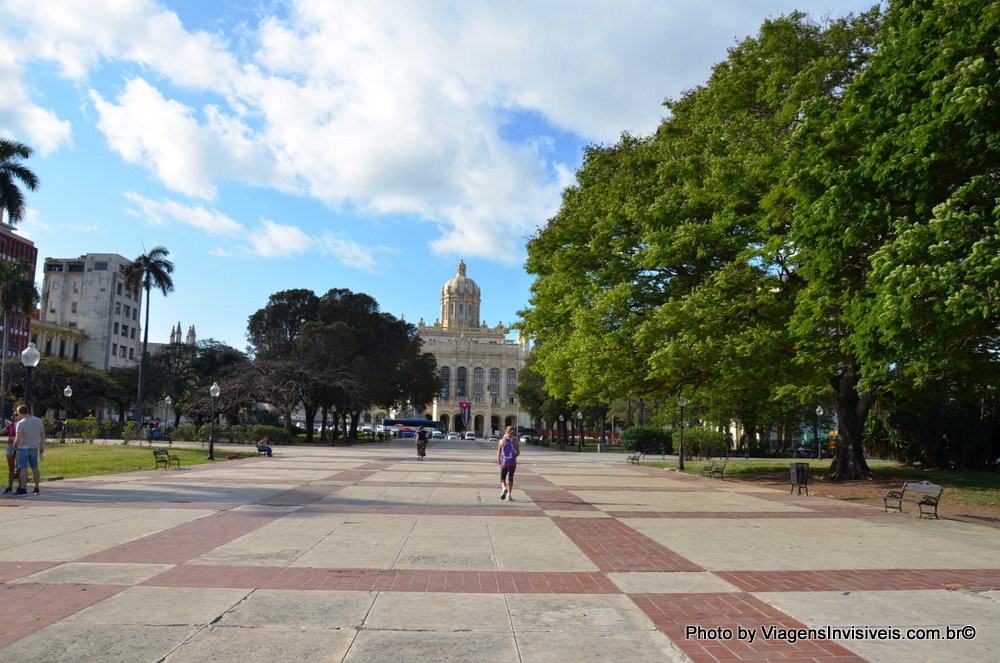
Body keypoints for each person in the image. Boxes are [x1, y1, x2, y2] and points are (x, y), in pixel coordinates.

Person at [12, 405, 45, 496]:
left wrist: (15, 446)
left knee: (23, 468)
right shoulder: (38, 421)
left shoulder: (21, 423)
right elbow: (42, 435)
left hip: (23, 448)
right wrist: (41, 446)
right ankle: (36, 488)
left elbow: (18, 439)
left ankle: (23, 489)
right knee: (35, 467)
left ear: (20, 413)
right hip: (34, 447)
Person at [497, 426, 520, 501]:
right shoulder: (515, 441)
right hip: (512, 463)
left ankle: (504, 489)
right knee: (511, 478)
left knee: (502, 478)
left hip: (505, 463)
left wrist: (499, 461)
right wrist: (513, 457)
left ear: (505, 432)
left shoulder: (501, 441)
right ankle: (509, 495)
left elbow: (499, 453)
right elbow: (518, 453)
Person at [3, 411, 18, 494]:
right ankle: (10, 486)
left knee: (20, 468)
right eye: (14, 415)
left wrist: (16, 439)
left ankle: (21, 487)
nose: (15, 416)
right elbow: (2, 431)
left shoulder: (23, 425)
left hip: (20, 446)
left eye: (17, 414)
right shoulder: (11, 425)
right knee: (11, 467)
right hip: (10, 446)